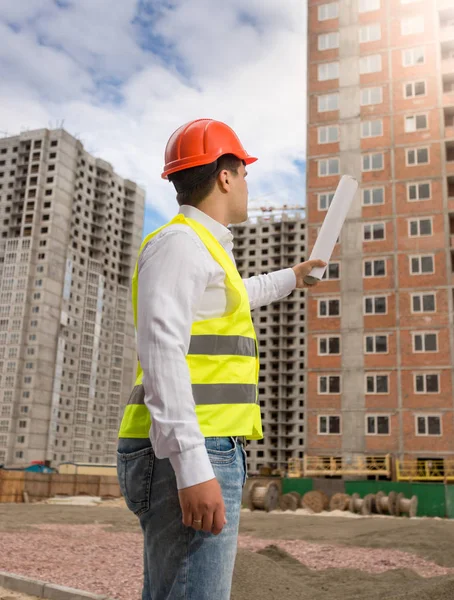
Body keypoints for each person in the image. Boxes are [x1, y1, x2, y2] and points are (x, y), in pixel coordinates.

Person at [117, 118, 325, 600]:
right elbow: (163, 351)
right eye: (245, 173)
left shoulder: (203, 247)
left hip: (199, 443)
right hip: (189, 448)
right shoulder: (179, 245)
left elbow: (233, 296)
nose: (248, 183)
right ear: (225, 176)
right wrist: (192, 465)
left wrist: (294, 276)